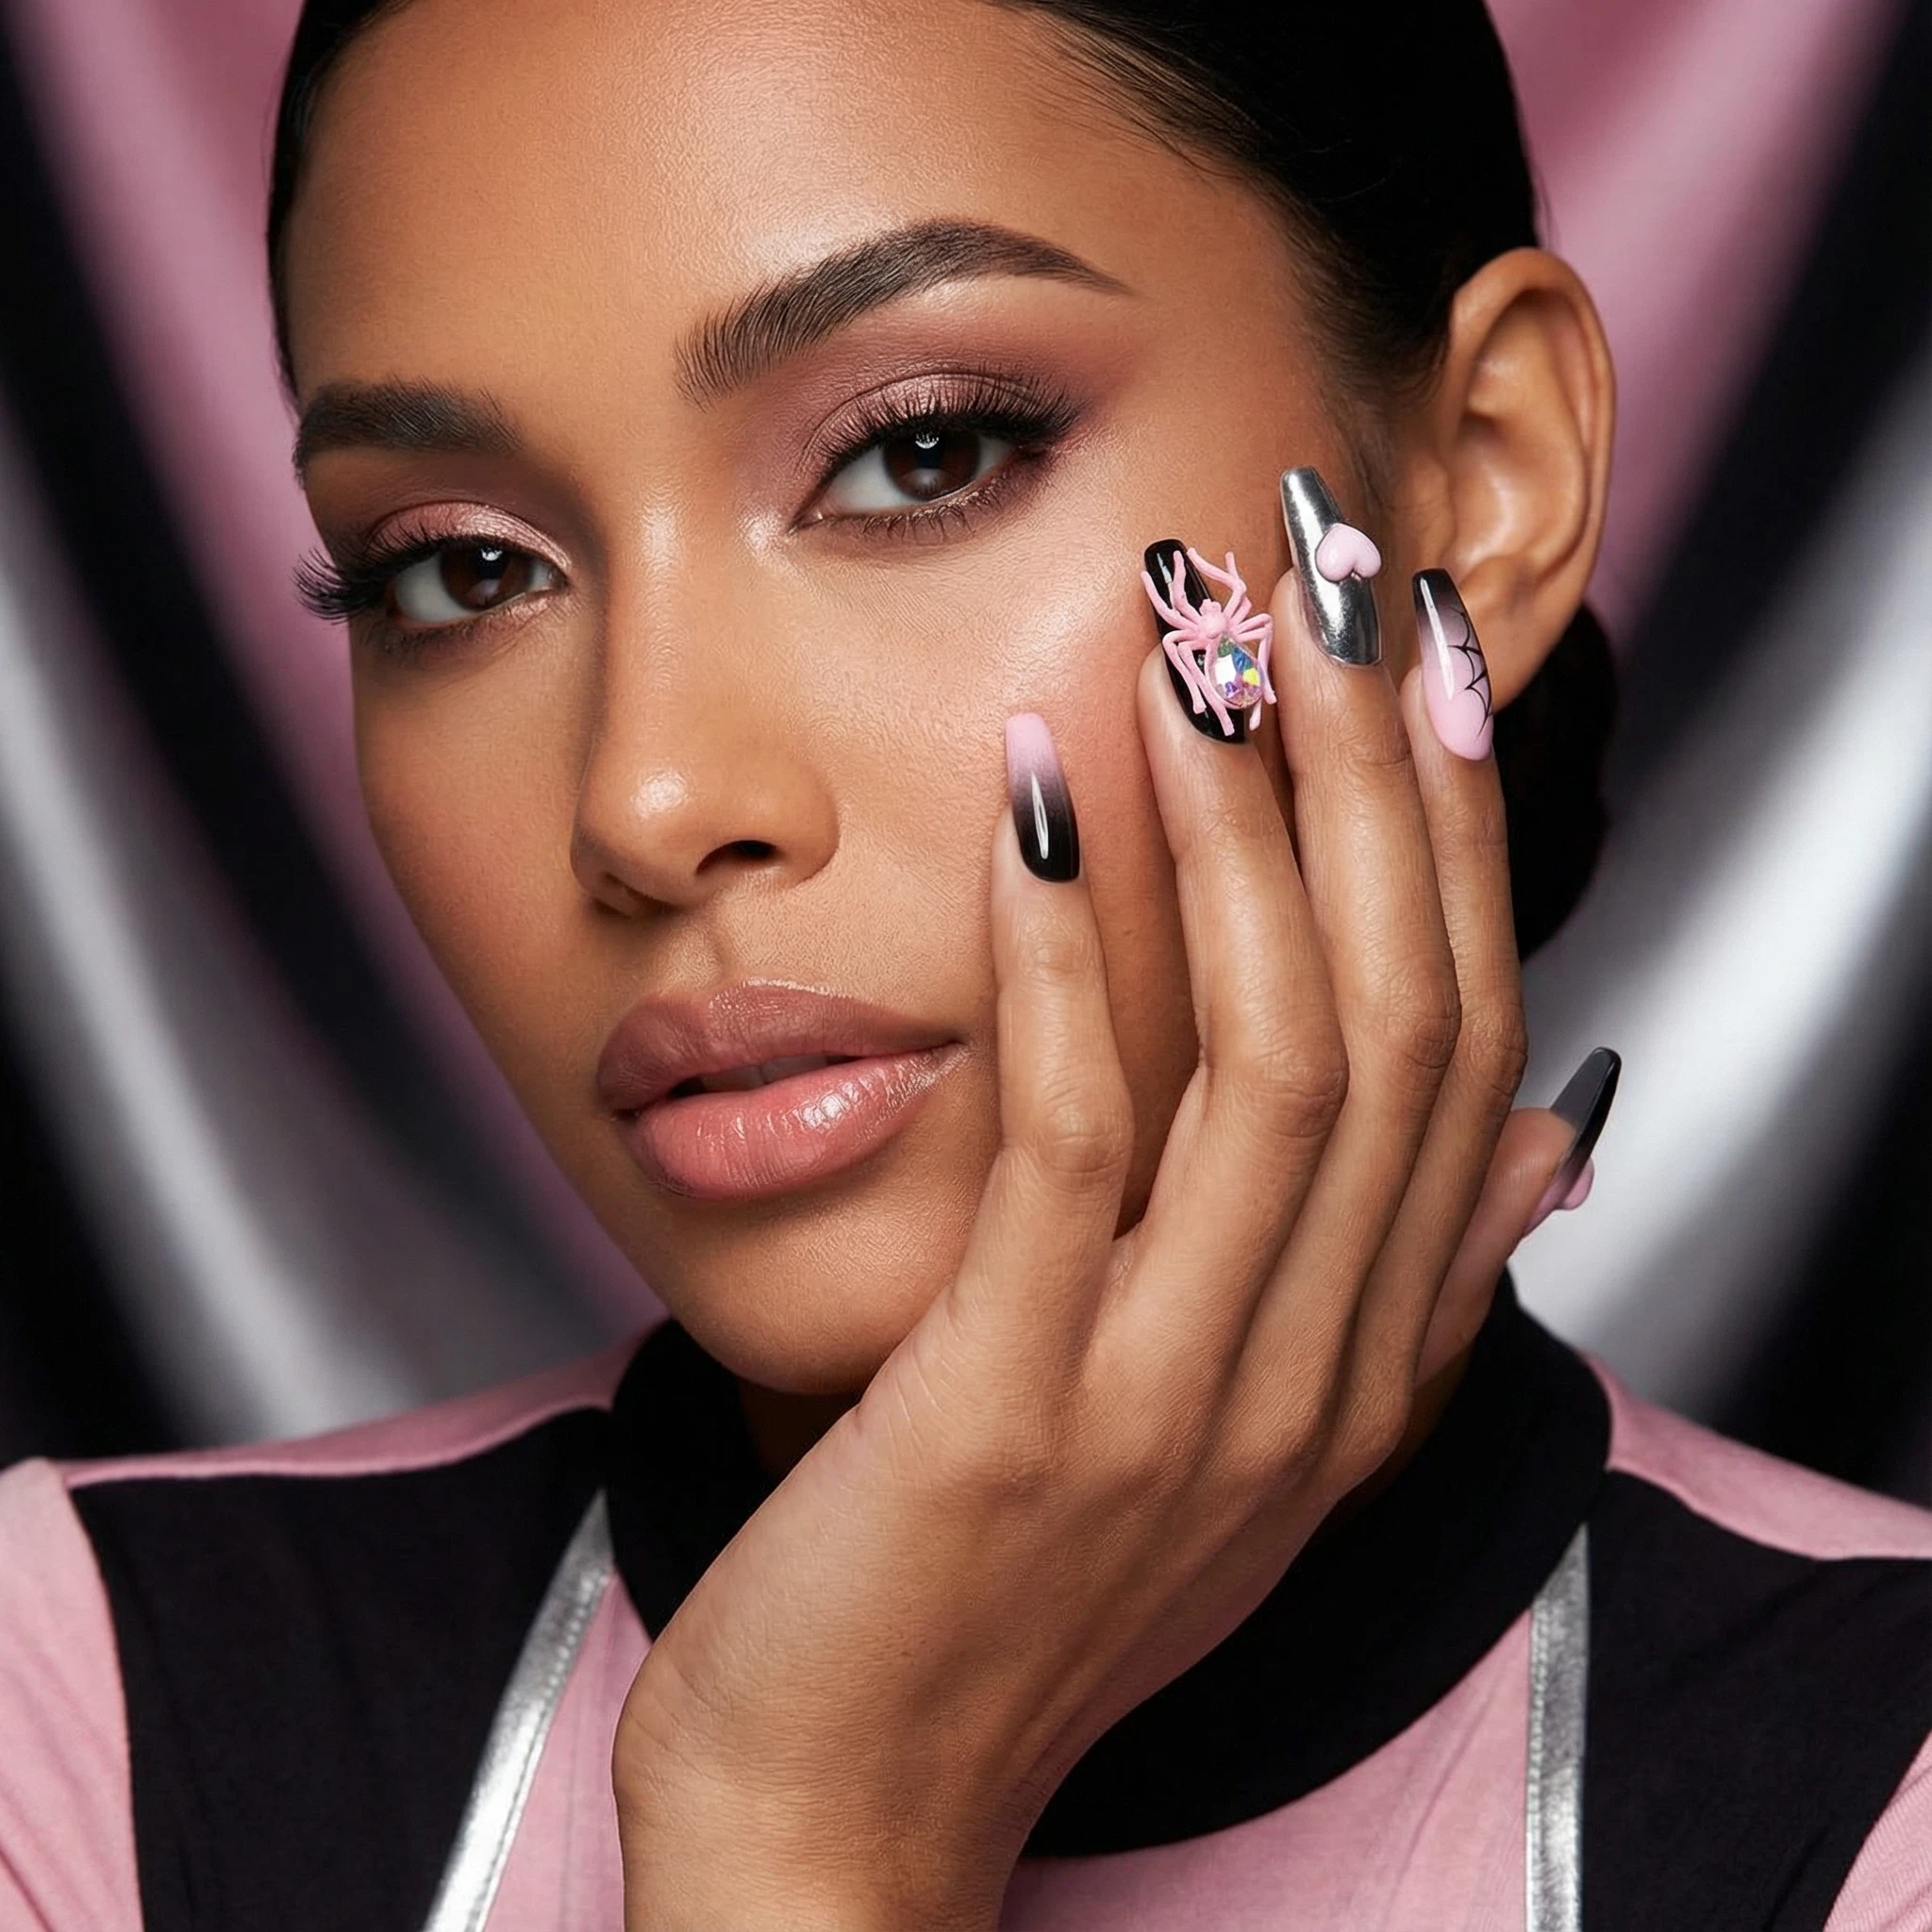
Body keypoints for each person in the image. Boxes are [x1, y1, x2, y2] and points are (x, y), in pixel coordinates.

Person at [4, 2, 1930, 1927]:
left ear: (1483, 481)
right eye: (457, 568)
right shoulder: (68, 1706)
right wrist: (798, 1823)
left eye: (922, 452)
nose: (650, 798)